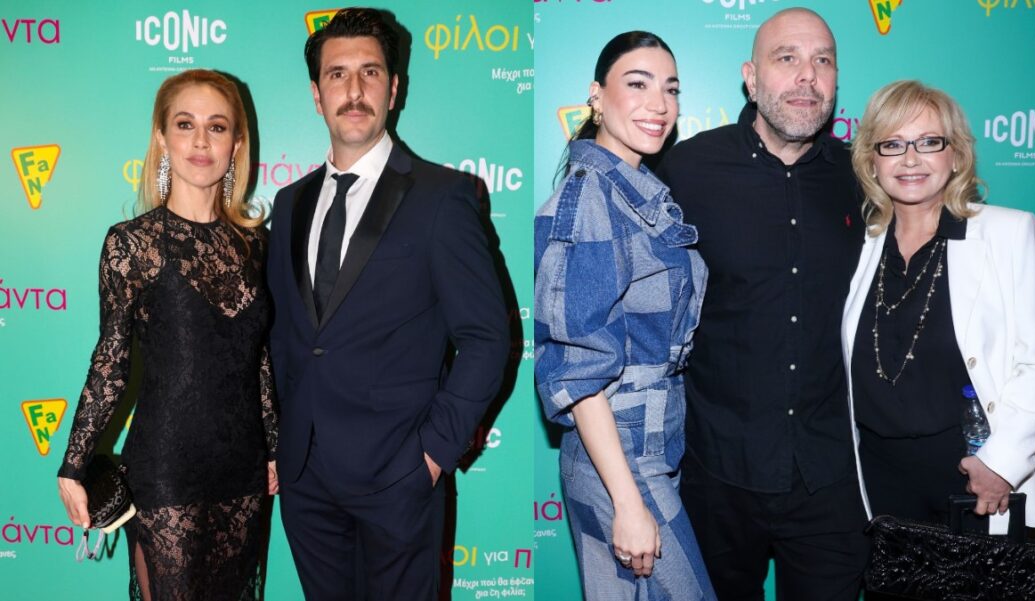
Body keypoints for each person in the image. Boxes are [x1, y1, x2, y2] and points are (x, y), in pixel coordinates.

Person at [266, 8, 510, 600]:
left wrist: (432, 455)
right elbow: (285, 336)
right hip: (305, 480)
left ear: (394, 89)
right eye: (337, 74)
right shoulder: (289, 204)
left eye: (370, 73)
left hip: (399, 477)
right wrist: (277, 444)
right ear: (316, 95)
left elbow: (487, 337)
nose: (354, 90)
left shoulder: (443, 196)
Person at [657, 7, 870, 600]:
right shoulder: (686, 171)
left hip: (832, 478)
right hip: (716, 473)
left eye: (822, 60)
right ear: (750, 78)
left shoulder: (865, 176)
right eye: (787, 58)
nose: (807, 76)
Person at [56, 69, 277, 600]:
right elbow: (111, 361)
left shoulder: (256, 245)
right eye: (185, 124)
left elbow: (260, 358)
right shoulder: (132, 244)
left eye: (217, 127)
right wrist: (73, 464)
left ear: (236, 144)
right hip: (165, 467)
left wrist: (274, 447)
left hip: (243, 469)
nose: (201, 141)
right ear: (162, 137)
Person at [843, 80, 1035, 545]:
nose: (910, 159)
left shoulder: (1008, 234)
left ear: (957, 155)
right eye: (893, 144)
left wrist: (1001, 464)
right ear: (871, 160)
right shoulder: (859, 247)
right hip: (879, 482)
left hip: (976, 481)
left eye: (929, 142)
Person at [535, 31, 717, 600]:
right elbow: (577, 373)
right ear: (596, 95)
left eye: (671, 89)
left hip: (651, 446)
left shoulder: (636, 192)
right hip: (619, 457)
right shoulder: (588, 200)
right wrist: (627, 501)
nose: (659, 104)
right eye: (637, 84)